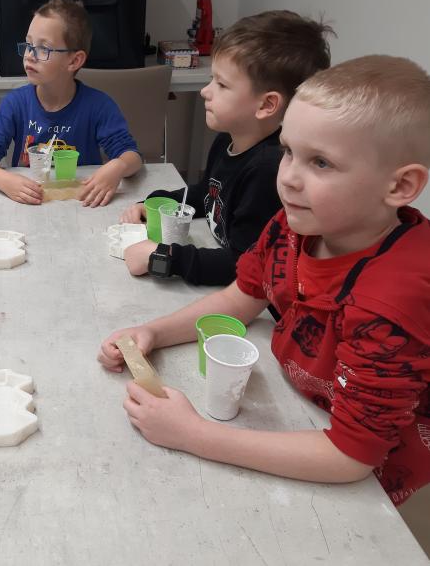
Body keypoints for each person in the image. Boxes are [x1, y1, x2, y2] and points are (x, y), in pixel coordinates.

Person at [99, 55, 430, 506]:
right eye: (288, 151)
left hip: (363, 472)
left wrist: (193, 434)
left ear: (400, 187)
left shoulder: (391, 303)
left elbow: (351, 457)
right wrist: (154, 332)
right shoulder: (292, 227)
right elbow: (241, 298)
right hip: (305, 408)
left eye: (321, 163)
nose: (288, 178)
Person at [120, 11, 333, 284]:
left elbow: (243, 264)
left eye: (221, 84)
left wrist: (164, 257)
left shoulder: (268, 170)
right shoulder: (226, 140)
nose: (205, 91)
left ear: (266, 105)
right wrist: (157, 203)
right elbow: (207, 194)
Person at [0, 0, 142, 207]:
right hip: (28, 205)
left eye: (43, 48)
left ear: (74, 60)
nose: (29, 55)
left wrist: (117, 166)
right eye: (29, 44)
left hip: (82, 206)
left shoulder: (99, 106)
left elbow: (132, 156)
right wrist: (2, 179)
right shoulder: (15, 103)